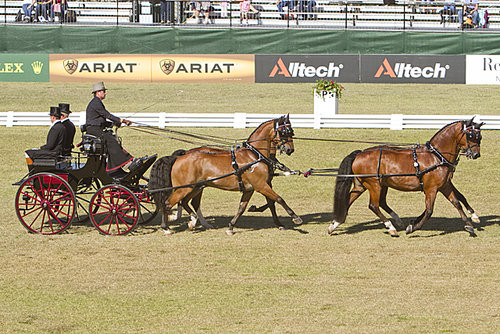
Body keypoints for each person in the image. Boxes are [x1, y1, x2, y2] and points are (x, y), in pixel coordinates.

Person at [86, 82, 151, 174]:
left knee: (113, 139)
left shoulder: (97, 102)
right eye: (104, 91)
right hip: (94, 130)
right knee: (110, 140)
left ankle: (120, 164)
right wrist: (122, 121)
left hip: (97, 129)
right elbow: (107, 115)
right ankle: (127, 162)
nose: (105, 93)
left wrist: (115, 123)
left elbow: (101, 119)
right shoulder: (96, 103)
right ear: (98, 92)